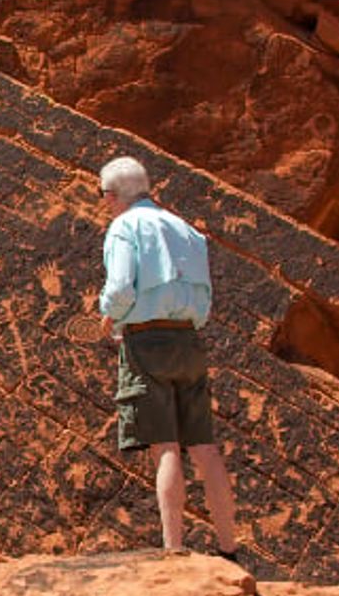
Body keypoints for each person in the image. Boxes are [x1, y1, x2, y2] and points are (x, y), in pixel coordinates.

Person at [97, 156, 239, 558]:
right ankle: (229, 547)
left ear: (112, 195)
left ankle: (173, 550)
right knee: (205, 448)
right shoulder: (186, 230)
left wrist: (109, 314)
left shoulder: (125, 227)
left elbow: (122, 287)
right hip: (189, 340)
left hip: (148, 342)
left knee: (165, 446)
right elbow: (205, 298)